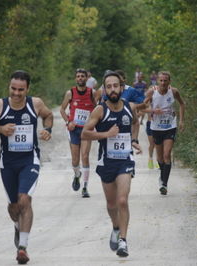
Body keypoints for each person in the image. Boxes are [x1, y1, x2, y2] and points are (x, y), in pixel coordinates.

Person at [0, 70, 53, 264]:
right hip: (8, 163)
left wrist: (47, 129)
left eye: (21, 89)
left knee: (25, 199)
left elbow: (48, 115)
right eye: (13, 88)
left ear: (27, 89)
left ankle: (23, 248)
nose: (17, 93)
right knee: (13, 206)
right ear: (9, 87)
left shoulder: (35, 104)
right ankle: (17, 226)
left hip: (30, 160)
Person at [82, 71, 145, 257]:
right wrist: (105, 135)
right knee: (111, 204)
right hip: (106, 162)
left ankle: (123, 242)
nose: (112, 89)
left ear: (122, 87)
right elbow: (85, 133)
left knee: (122, 200)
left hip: (125, 160)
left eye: (115, 86)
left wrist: (134, 140)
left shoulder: (128, 107)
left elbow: (135, 123)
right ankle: (116, 227)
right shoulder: (100, 110)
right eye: (108, 87)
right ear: (104, 90)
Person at [144, 71, 185, 195]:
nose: (162, 83)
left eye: (165, 80)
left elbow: (182, 104)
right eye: (160, 80)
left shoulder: (174, 92)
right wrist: (153, 111)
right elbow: (142, 108)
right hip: (156, 127)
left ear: (169, 82)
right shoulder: (152, 92)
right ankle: (162, 176)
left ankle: (164, 184)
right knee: (160, 158)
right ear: (157, 81)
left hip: (170, 126)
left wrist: (182, 121)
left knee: (167, 155)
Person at [60, 68, 97, 198]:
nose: (80, 78)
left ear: (87, 79)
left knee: (85, 156)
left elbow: (98, 109)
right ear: (76, 79)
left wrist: (93, 122)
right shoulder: (70, 93)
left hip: (87, 130)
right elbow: (62, 110)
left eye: (82, 76)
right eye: (78, 76)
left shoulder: (92, 93)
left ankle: (85, 187)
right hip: (74, 130)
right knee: (75, 160)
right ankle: (77, 175)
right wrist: (68, 122)